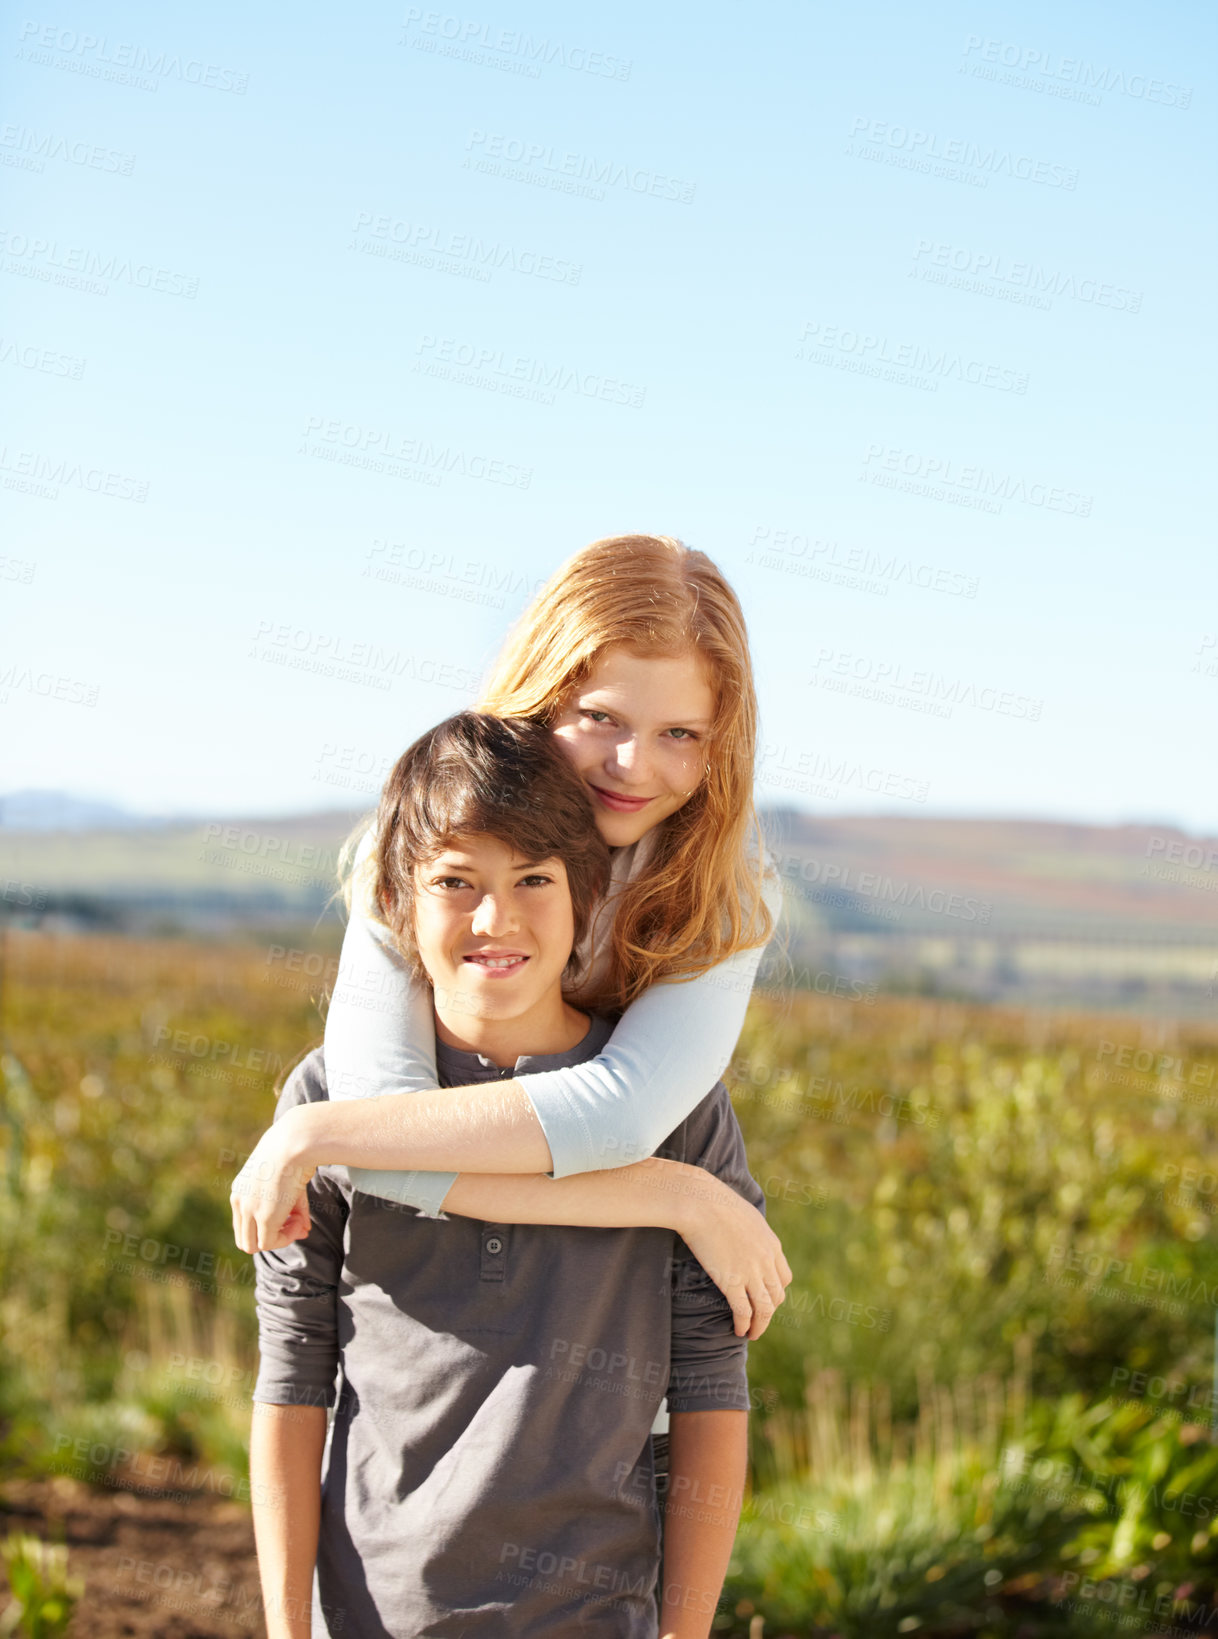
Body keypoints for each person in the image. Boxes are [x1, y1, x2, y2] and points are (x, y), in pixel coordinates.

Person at [251, 713, 766, 1639]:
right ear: (399, 902)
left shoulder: (676, 1109)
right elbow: (293, 1380)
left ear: (585, 900)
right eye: (456, 882)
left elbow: (710, 1393)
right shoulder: (327, 1099)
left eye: (535, 879)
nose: (498, 919)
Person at [232, 533, 789, 1337]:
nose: (633, 764)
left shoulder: (728, 890)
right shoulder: (417, 851)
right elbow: (377, 1119)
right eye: (600, 717)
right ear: (538, 695)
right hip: (421, 1304)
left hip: (602, 1318)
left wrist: (317, 1134)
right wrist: (674, 1196)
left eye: (680, 734)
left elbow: (618, 1118)